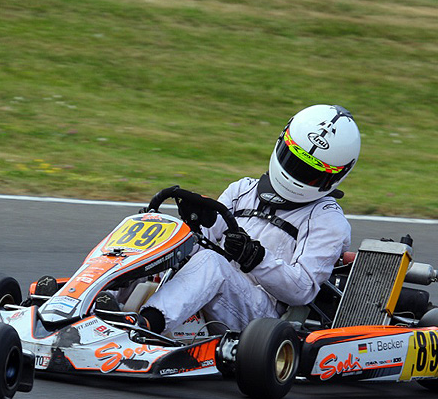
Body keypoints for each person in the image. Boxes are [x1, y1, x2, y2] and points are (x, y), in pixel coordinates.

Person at [117, 104, 359, 335]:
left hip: (261, 319)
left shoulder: (328, 221)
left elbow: (303, 289)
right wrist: (190, 229)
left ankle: (145, 325)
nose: (298, 174)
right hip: (208, 294)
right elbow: (201, 247)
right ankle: (100, 307)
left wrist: (255, 259)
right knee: (155, 243)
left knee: (213, 263)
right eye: (293, 158)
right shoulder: (242, 190)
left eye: (314, 171)